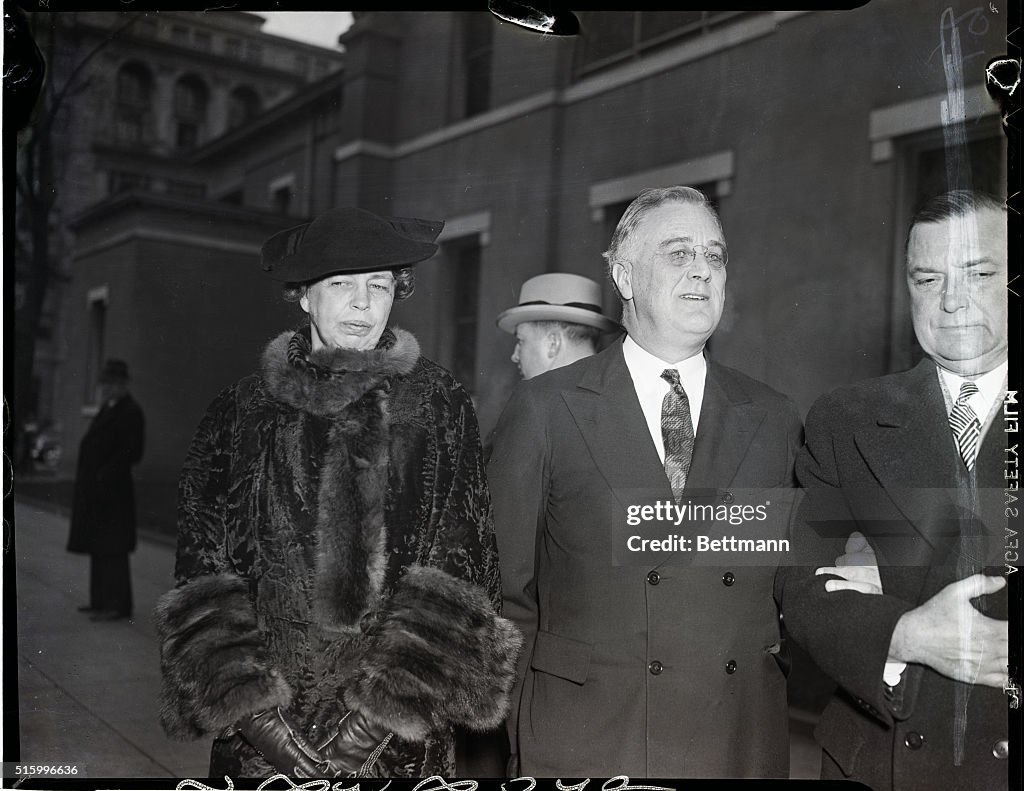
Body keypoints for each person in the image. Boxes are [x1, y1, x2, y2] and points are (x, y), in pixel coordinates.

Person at [154, 207, 521, 779]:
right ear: (304, 296)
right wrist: (255, 717)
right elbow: (201, 572)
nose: (362, 303)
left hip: (396, 739)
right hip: (261, 741)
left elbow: (463, 569)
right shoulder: (240, 411)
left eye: (378, 286)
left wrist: (371, 727)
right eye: (341, 284)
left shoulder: (437, 403)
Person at [488, 186, 803, 777]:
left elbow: (789, 580)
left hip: (734, 739)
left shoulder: (773, 416)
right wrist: (529, 727)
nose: (703, 273)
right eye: (679, 254)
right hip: (588, 739)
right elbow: (503, 593)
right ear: (625, 277)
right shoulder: (546, 408)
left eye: (715, 256)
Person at [774, 190, 1010, 790]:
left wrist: (886, 581)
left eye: (979, 274)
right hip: (877, 763)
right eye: (927, 280)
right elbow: (801, 580)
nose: (951, 301)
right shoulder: (845, 419)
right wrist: (905, 633)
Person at [67, 359, 145, 621]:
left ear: (123, 384)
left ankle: (118, 606)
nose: (108, 389)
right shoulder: (108, 409)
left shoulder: (130, 412)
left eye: (113, 384)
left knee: (114, 550)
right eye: (106, 384)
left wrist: (104, 475)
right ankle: (99, 601)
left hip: (114, 494)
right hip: (99, 494)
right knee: (98, 547)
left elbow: (131, 452)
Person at [496, 272, 620, 380]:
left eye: (521, 341)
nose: (515, 356)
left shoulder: (540, 403)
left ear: (553, 344)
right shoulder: (618, 394)